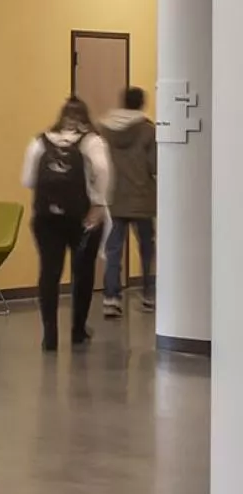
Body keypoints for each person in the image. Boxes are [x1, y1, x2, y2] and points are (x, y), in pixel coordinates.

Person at [23, 95, 112, 352]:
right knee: (82, 273)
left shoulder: (40, 142)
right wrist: (98, 203)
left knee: (49, 272)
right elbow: (103, 170)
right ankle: (78, 330)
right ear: (85, 117)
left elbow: (28, 179)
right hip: (83, 217)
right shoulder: (92, 142)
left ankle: (49, 333)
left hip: (46, 218)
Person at [96, 86, 156, 320]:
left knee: (113, 251)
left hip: (114, 197)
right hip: (142, 197)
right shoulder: (147, 131)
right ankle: (148, 294)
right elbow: (155, 165)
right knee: (147, 249)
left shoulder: (105, 130)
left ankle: (112, 298)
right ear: (141, 104)